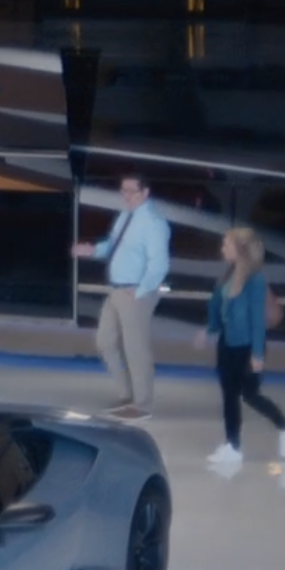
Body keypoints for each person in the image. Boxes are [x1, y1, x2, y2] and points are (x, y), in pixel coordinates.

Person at [197, 226, 285, 468]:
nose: (222, 248)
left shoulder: (256, 280)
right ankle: (232, 446)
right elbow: (216, 308)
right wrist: (209, 330)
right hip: (227, 345)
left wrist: (257, 354)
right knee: (229, 396)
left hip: (248, 346)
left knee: (250, 395)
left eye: (226, 244)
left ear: (240, 249)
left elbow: (257, 320)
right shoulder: (226, 277)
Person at [73, 174, 171, 420]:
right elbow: (113, 246)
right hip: (117, 289)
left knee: (136, 348)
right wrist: (92, 250)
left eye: (131, 191)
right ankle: (128, 394)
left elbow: (159, 264)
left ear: (145, 192)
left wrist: (141, 290)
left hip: (136, 292)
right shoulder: (126, 215)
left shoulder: (154, 223)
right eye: (123, 190)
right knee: (105, 341)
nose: (126, 195)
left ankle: (142, 404)